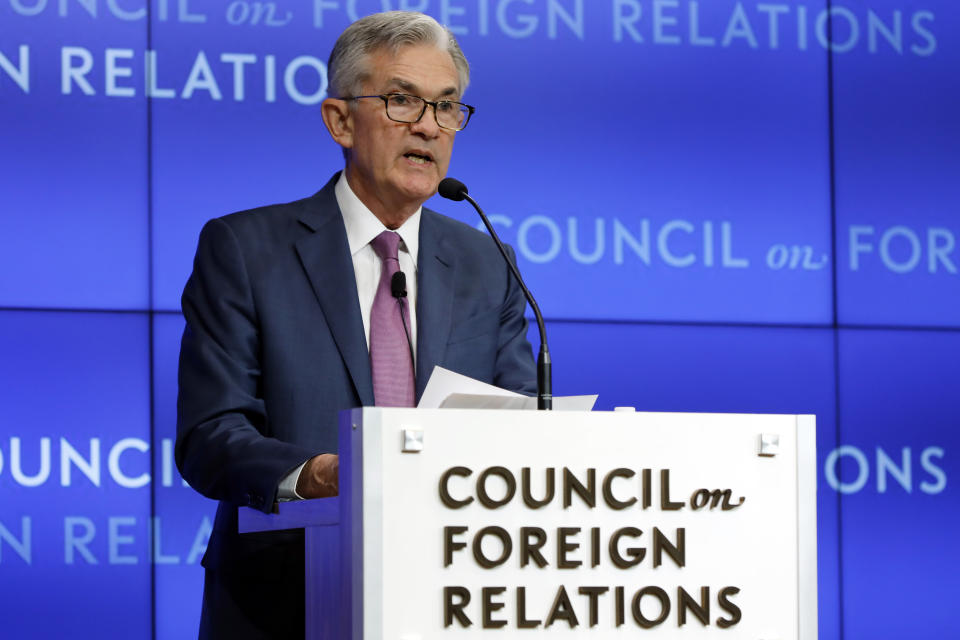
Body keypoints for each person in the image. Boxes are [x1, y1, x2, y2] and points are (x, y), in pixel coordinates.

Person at [175, 10, 537, 638]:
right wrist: (319, 474)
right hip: (286, 600)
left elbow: (522, 427)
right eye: (402, 101)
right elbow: (210, 435)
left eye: (448, 107)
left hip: (456, 602)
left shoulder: (487, 263)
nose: (428, 126)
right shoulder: (245, 248)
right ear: (340, 120)